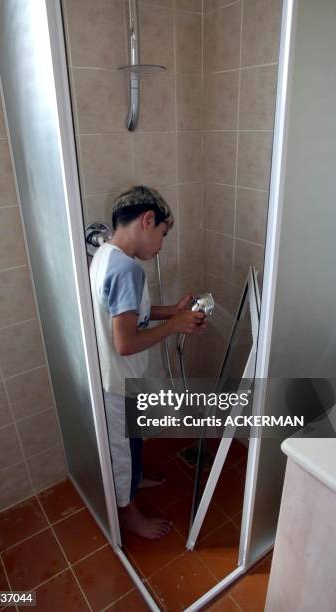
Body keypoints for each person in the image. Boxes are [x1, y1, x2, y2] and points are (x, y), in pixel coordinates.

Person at [89, 185, 207, 539]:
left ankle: (135, 483)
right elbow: (125, 342)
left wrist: (169, 311)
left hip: (115, 376)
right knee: (121, 452)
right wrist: (174, 326)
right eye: (162, 235)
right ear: (147, 220)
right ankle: (130, 516)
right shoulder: (128, 271)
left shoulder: (105, 256)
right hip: (117, 380)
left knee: (133, 439)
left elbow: (125, 314)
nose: (160, 245)